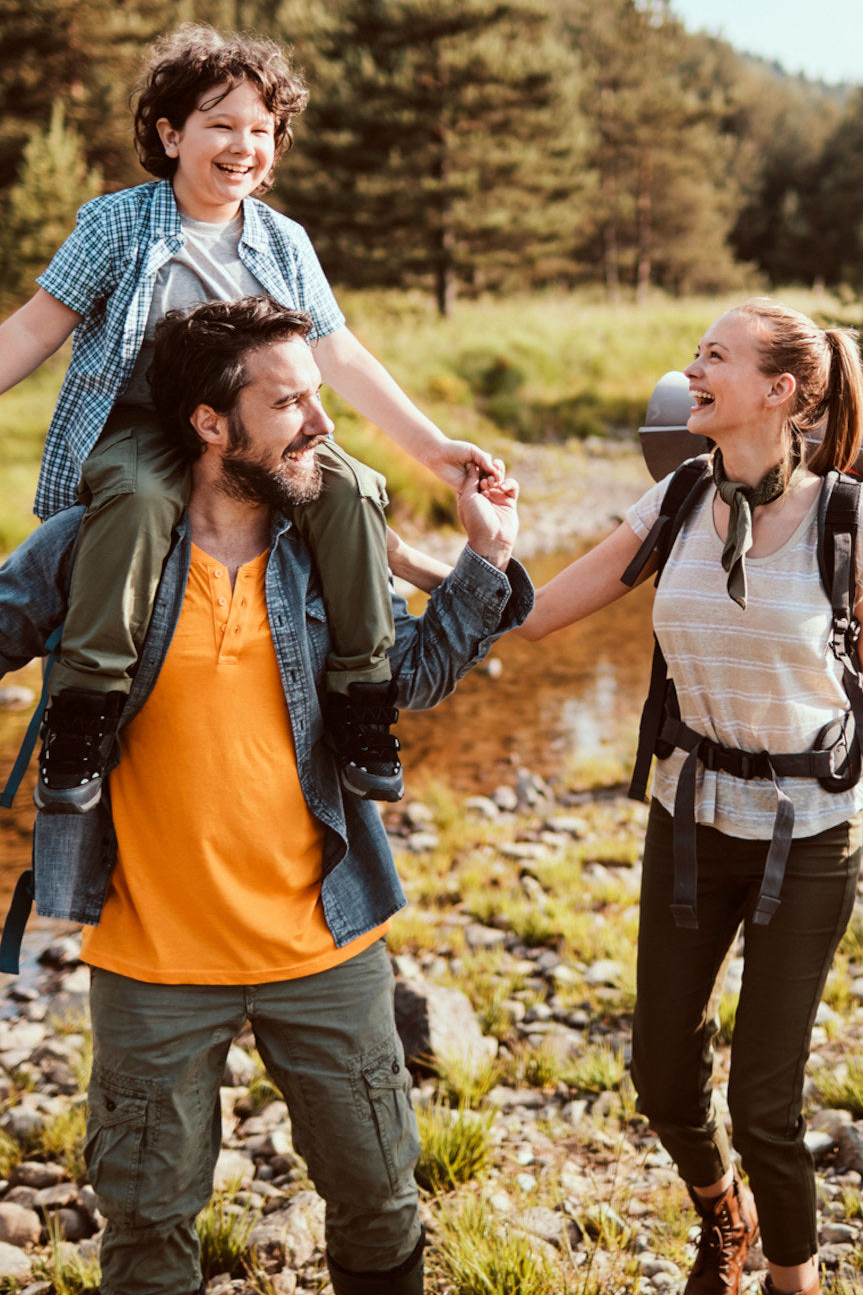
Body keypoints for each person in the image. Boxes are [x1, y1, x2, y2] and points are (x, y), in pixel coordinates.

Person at [0, 295, 528, 1295]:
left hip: (324, 943)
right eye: (289, 404)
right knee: (148, 1225)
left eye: (318, 397)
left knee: (378, 1202)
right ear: (210, 422)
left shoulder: (328, 550)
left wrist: (487, 552)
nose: (321, 425)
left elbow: (408, 675)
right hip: (152, 961)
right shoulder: (93, 543)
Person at [514, 298, 863, 1295]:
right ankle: (724, 1206)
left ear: (780, 390)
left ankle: (791, 1280)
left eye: (714, 355)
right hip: (689, 821)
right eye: (696, 352)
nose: (691, 368)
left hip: (808, 838)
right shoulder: (680, 495)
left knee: (766, 1100)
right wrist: (414, 562)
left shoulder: (849, 519)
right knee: (660, 1076)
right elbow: (542, 614)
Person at [0, 23, 496, 815]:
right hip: (145, 422)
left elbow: (339, 356)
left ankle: (363, 698)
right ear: (170, 134)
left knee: (354, 488)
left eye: (261, 130)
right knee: (134, 497)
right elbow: (33, 328)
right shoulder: (114, 224)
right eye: (220, 125)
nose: (243, 146)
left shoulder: (282, 241)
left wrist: (433, 448)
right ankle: (86, 710)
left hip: (269, 426)